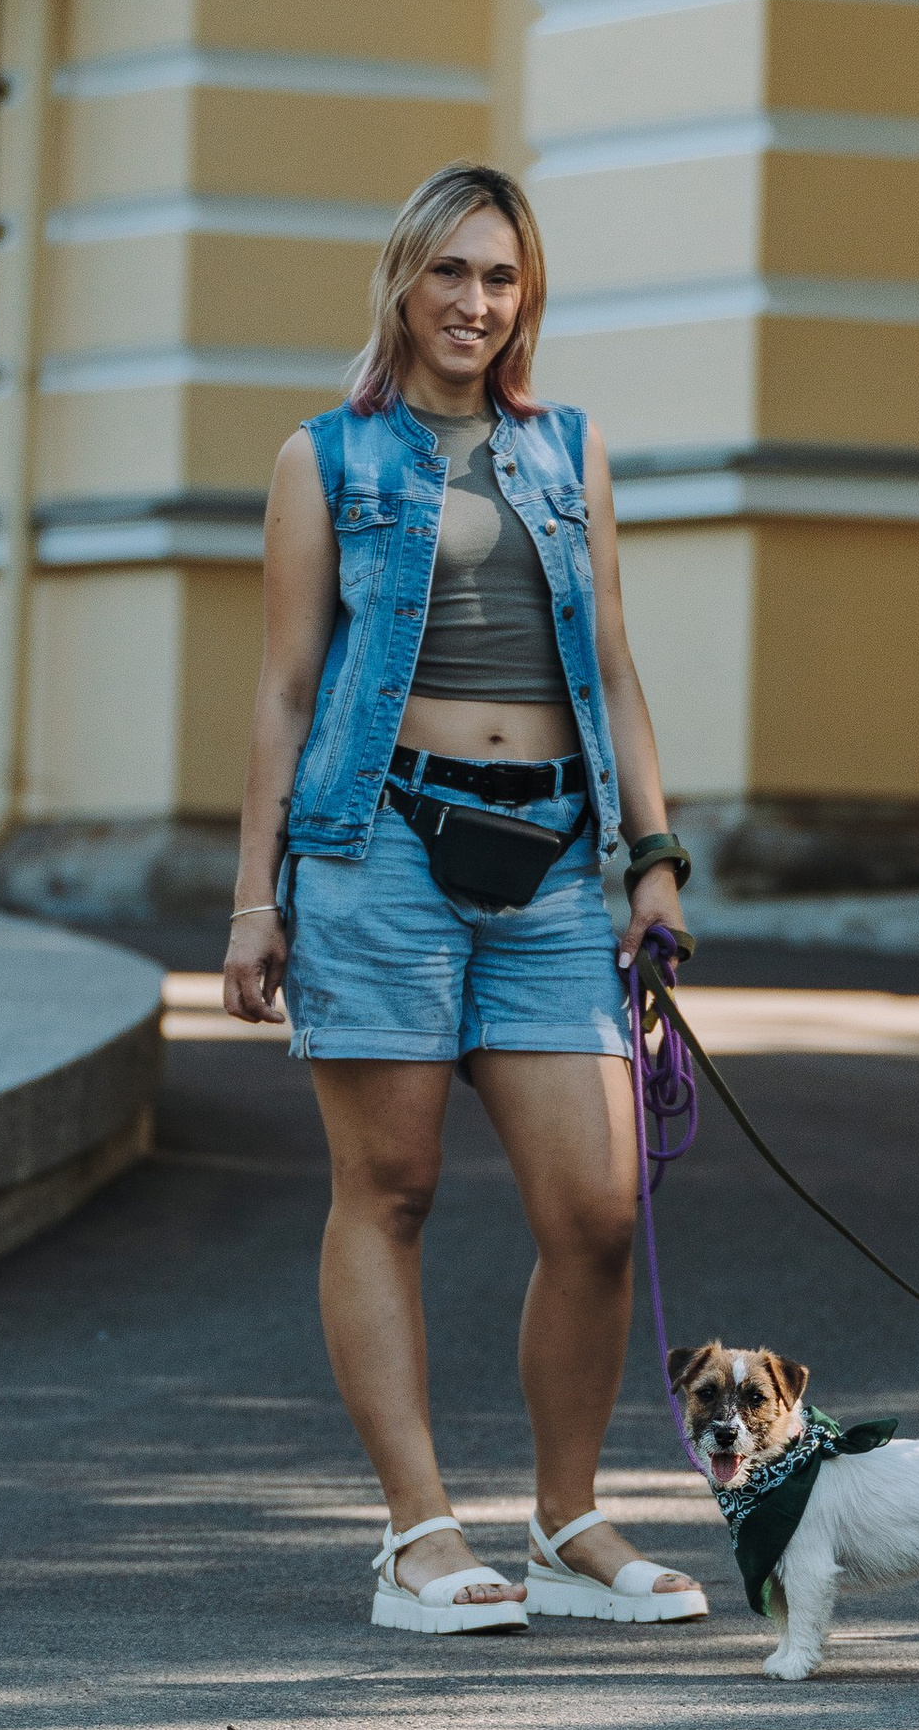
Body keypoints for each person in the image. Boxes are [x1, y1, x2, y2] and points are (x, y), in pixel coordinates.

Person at [221, 163, 707, 1635]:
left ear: (525, 298)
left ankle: (568, 1521)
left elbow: (611, 663)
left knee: (600, 1208)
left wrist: (654, 854)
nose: (475, 304)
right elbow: (287, 688)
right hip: (381, 854)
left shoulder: (568, 451)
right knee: (392, 1186)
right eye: (451, 274)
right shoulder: (328, 459)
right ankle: (419, 1531)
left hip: (559, 862)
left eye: (500, 279)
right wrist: (256, 903)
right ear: (404, 281)